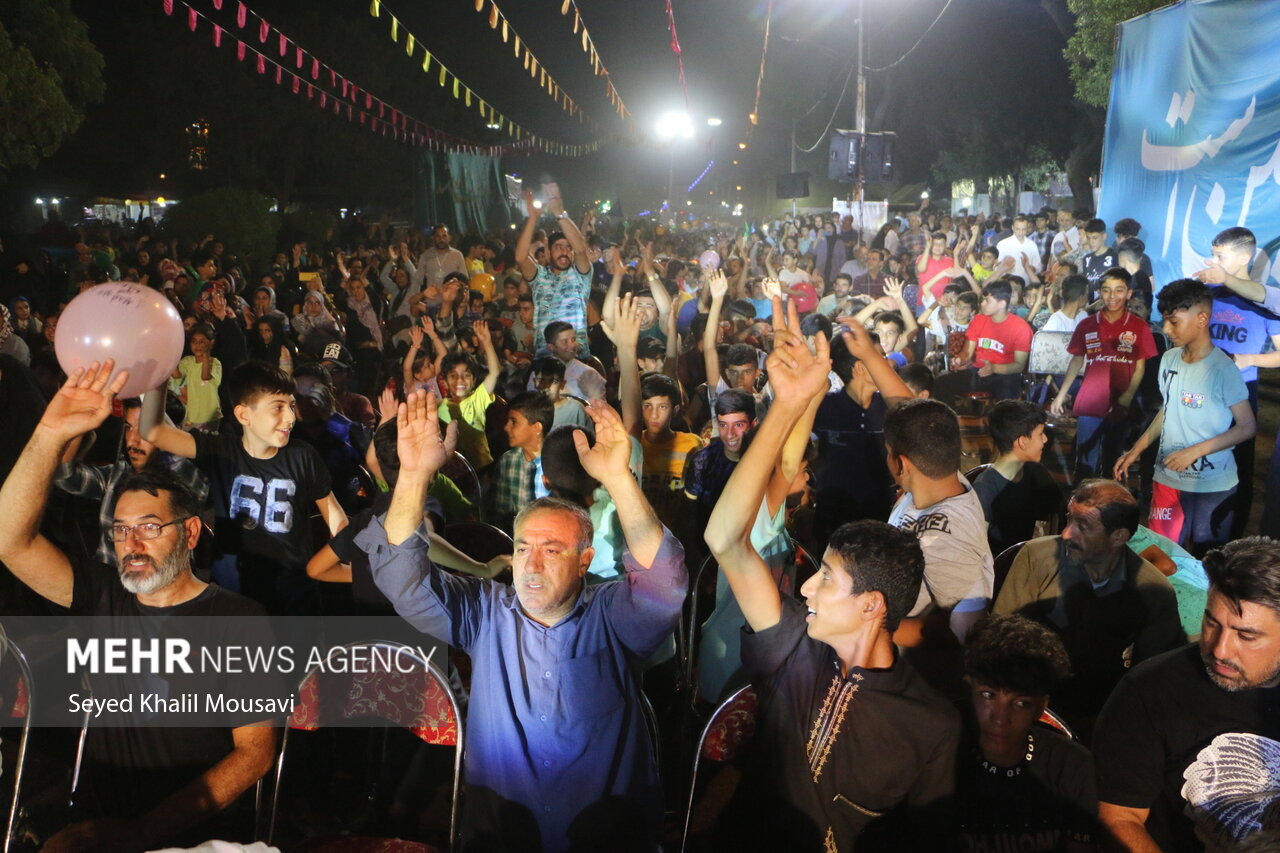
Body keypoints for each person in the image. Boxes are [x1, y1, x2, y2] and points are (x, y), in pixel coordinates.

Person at [356, 391, 686, 852]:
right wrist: (412, 476)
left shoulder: (614, 617)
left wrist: (618, 478)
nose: (531, 565)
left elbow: (664, 580)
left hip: (605, 837)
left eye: (552, 551)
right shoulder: (485, 612)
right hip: (501, 836)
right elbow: (400, 578)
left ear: (584, 561)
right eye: (523, 549)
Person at [704, 301, 959, 850]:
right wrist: (788, 404)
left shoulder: (931, 723)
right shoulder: (795, 644)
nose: (805, 587)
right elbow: (725, 540)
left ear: (873, 605)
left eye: (827, 579)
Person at [0, 361, 277, 850]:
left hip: (193, 837)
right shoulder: (103, 594)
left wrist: (144, 833)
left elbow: (254, 754)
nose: (131, 543)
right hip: (98, 827)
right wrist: (49, 431)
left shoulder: (239, 620)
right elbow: (8, 541)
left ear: (190, 532)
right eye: (121, 529)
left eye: (150, 526)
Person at [1093, 536, 1280, 852]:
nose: (1220, 649)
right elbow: (1119, 816)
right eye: (1211, 622)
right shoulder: (1148, 691)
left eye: (1246, 636)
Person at [141, 361, 348, 613]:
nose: (290, 417)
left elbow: (336, 518)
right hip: (234, 595)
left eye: (292, 406)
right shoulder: (220, 450)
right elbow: (152, 431)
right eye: (278, 408)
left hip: (294, 597)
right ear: (243, 415)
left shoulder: (303, 456)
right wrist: (159, 373)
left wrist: (343, 562)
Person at [994, 479, 1185, 730]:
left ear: (1118, 537)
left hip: (1100, 711)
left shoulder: (1154, 591)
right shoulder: (1034, 557)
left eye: (1082, 526)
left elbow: (1148, 678)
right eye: (1069, 518)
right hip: (1028, 697)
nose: (1066, 533)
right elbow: (1000, 641)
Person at [1115, 279, 1255, 555]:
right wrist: (1136, 450)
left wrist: (1195, 452)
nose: (1166, 330)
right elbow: (1168, 410)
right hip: (1168, 480)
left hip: (1212, 485)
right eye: (1164, 321)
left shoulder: (1222, 369)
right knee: (1162, 558)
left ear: (1202, 318)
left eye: (1174, 322)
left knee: (1207, 560)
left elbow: (1247, 426)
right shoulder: (1169, 359)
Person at [957, 615, 1098, 853]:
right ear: (969, 690)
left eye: (1021, 703)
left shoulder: (1071, 765)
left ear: (1041, 707)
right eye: (989, 695)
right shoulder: (940, 752)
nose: (1000, 718)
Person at [885, 398, 995, 644]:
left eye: (887, 452)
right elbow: (921, 425)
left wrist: (866, 629)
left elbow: (964, 632)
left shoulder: (947, 539)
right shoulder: (940, 481)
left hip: (918, 673)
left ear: (902, 464)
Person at [55, 396, 208, 566]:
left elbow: (186, 472)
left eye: (144, 430)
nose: (132, 440)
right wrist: (80, 424)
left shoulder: (186, 479)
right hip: (112, 583)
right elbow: (65, 477)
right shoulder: (117, 474)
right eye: (128, 428)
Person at [811, 317, 915, 544]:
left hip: (881, 519)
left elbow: (916, 414)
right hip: (832, 524)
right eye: (879, 358)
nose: (886, 365)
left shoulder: (890, 409)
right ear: (859, 367)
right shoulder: (824, 407)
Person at [1053, 268, 1157, 481]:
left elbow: (1140, 367)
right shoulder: (1087, 324)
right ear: (1099, 292)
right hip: (1090, 399)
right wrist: (1061, 394)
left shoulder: (1138, 326)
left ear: (1128, 293)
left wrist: (1127, 397)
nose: (1112, 297)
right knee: (1085, 457)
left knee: (1113, 456)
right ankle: (1082, 501)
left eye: (1119, 290)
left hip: (1121, 400)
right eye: (1107, 290)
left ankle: (1109, 504)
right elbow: (1077, 360)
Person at [973, 400, 1063, 559]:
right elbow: (975, 549)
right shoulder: (985, 488)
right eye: (1040, 434)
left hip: (1027, 562)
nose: (1045, 440)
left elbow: (1059, 510)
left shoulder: (1035, 472)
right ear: (1022, 442)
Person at [516, 190, 593, 355]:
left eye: (568, 248)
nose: (564, 252)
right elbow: (521, 258)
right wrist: (533, 219)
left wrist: (559, 212)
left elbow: (580, 248)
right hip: (545, 360)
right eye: (558, 247)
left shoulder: (580, 275)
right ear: (548, 252)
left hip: (577, 357)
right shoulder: (539, 277)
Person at [938, 279, 1034, 403]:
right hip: (977, 371)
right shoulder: (978, 319)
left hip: (1004, 375)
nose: (982, 304)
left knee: (1006, 391)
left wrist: (994, 368)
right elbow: (967, 352)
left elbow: (1019, 365)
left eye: (987, 300)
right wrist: (959, 360)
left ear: (1002, 304)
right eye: (983, 299)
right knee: (941, 383)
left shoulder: (1021, 328)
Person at [683, 389, 755, 533]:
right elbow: (689, 514)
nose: (730, 434)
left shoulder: (764, 460)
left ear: (753, 424)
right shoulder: (702, 461)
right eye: (723, 425)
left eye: (738, 425)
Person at [489, 391, 554, 530]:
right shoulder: (509, 460)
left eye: (514, 421)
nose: (506, 427)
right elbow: (500, 513)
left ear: (536, 428)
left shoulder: (556, 463)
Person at [169, 323, 222, 431]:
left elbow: (205, 378)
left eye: (202, 341)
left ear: (211, 342)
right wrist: (171, 358)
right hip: (191, 414)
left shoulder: (215, 363)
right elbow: (178, 380)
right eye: (194, 341)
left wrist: (206, 356)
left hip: (208, 415)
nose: (197, 345)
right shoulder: (187, 361)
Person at [996, 216, 1043, 285]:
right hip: (1007, 284)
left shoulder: (1032, 245)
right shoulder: (1003, 244)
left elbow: (1038, 266)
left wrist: (1032, 268)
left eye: (1023, 229)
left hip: (1027, 284)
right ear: (1013, 228)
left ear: (1027, 229)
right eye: (1018, 229)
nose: (1020, 232)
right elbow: (996, 266)